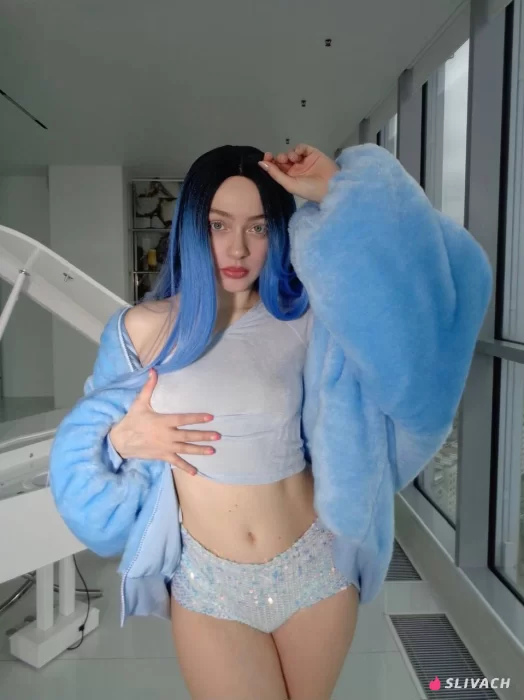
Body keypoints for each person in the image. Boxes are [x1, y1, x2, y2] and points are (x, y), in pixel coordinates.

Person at [49, 143, 492, 700]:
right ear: (191, 227)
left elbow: (425, 308)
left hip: (315, 567)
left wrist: (338, 192)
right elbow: (90, 435)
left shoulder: (307, 319)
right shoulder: (140, 329)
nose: (237, 248)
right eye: (218, 225)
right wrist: (119, 440)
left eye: (258, 227)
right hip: (209, 584)